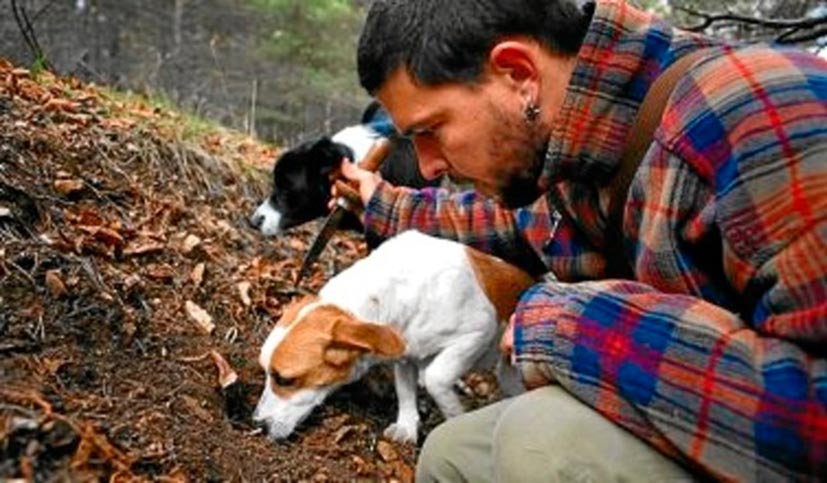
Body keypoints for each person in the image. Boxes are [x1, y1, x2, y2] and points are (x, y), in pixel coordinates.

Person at [337, 0, 827, 480]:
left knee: (544, 438)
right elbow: (521, 223)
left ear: (518, 74)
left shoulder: (764, 117)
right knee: (451, 455)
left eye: (431, 131)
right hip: (712, 418)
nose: (427, 166)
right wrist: (383, 204)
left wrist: (567, 325)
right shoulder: (576, 152)